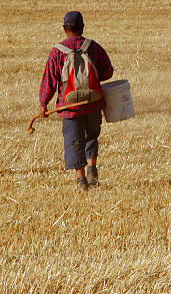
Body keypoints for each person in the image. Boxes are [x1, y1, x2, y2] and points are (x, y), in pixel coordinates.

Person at [38, 11, 115, 191]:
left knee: (74, 140)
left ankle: (81, 181)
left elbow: (49, 81)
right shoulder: (93, 47)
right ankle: (92, 169)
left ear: (64, 29)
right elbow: (108, 71)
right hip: (94, 103)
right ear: (82, 28)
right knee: (91, 136)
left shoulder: (57, 52)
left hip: (69, 107)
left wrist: (43, 103)